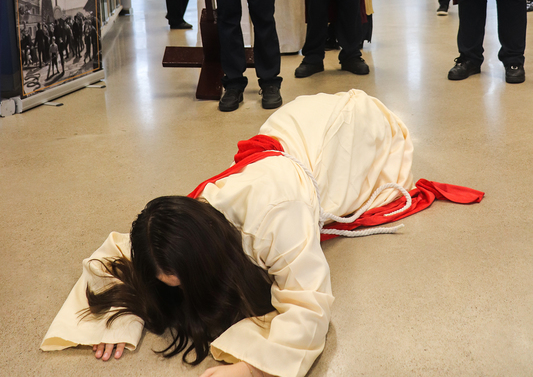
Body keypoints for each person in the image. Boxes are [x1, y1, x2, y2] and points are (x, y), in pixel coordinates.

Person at [40, 89, 482, 376]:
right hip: (288, 136)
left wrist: (252, 368)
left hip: (343, 133)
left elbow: (310, 305)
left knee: (371, 142)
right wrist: (119, 319)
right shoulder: (190, 218)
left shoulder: (279, 218)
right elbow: (117, 251)